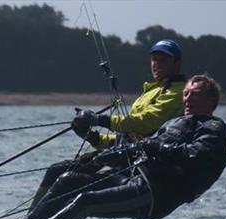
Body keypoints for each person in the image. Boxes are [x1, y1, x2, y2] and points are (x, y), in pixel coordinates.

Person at [0, 74, 226, 219]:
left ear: (212, 100)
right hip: (133, 178)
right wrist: (100, 157)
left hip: (156, 193)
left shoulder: (214, 128)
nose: (187, 98)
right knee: (69, 179)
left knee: (86, 201)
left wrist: (162, 150)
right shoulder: (175, 122)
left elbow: (197, 155)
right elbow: (138, 147)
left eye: (195, 94)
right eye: (186, 93)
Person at [28, 39, 187, 208]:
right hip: (120, 154)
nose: (157, 64)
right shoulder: (151, 90)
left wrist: (99, 120)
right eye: (154, 59)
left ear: (177, 64)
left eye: (164, 60)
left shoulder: (177, 91)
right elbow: (125, 138)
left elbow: (145, 123)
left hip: (137, 163)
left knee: (67, 179)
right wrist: (92, 137)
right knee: (55, 170)